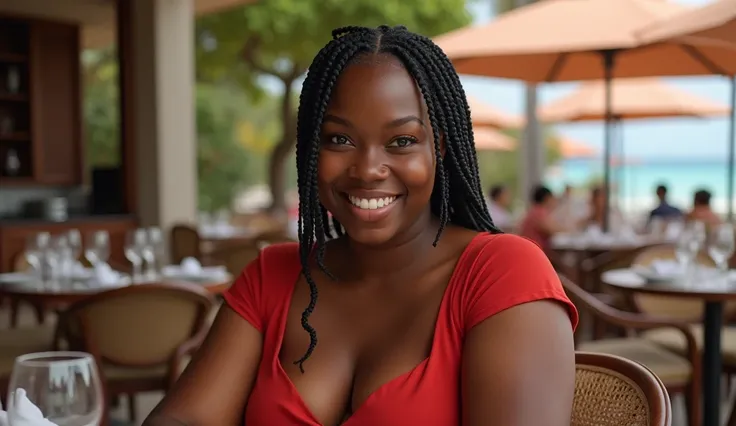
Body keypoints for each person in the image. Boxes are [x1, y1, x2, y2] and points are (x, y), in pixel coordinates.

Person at [143, 25, 577, 426]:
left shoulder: (501, 273)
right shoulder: (271, 277)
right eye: (339, 139)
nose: (368, 169)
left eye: (402, 141)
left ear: (439, 148)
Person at [519, 185, 564, 249]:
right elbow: (550, 230)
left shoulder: (534, 210)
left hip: (532, 248)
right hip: (533, 250)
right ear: (547, 198)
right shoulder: (538, 212)